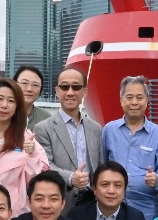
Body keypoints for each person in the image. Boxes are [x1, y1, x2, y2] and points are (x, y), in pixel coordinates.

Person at [100, 75, 158, 220]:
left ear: (147, 101)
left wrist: (157, 179)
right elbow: (100, 164)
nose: (134, 102)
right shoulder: (109, 130)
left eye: (139, 97)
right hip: (111, 207)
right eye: (129, 97)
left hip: (146, 210)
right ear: (121, 100)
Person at [33, 66, 104, 209]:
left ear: (85, 91)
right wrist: (71, 178)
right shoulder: (43, 128)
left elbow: (100, 165)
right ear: (57, 91)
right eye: (64, 87)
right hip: (61, 203)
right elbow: (45, 166)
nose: (70, 92)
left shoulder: (95, 128)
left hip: (92, 203)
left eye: (76, 87)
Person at [0, 78, 50, 217]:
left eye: (11, 101)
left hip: (15, 215)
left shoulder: (27, 138)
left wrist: (32, 155)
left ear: (17, 107)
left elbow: (39, 180)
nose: (4, 105)